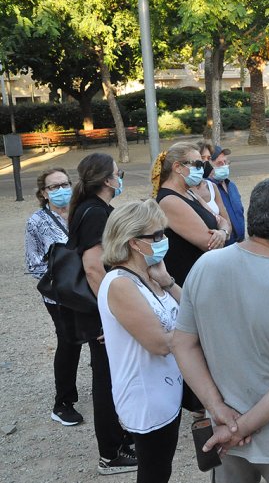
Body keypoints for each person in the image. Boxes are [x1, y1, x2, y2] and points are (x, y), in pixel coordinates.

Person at [172, 177, 269, 483]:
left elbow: (183, 344)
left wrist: (218, 410)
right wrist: (239, 430)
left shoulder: (205, 266)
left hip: (226, 441)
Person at [98, 200, 183, 483]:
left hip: (166, 389)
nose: (163, 240)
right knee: (154, 472)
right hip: (147, 397)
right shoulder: (120, 284)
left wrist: (168, 281)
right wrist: (197, 333)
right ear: (134, 242)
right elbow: (160, 343)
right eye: (156, 236)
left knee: (162, 468)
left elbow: (192, 312)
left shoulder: (149, 274)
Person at [67, 153, 137, 474]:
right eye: (117, 173)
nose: (120, 177)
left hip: (100, 309)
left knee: (113, 376)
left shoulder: (95, 209)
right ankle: (109, 454)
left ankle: (120, 437)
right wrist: (109, 316)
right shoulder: (93, 213)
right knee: (106, 379)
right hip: (99, 312)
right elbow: (94, 269)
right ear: (108, 181)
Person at [25, 168, 85, 426]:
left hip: (89, 288)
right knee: (69, 342)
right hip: (61, 295)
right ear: (43, 193)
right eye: (54, 187)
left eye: (65, 184)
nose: (61, 190)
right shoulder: (36, 222)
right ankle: (63, 403)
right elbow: (33, 263)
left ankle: (105, 387)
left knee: (98, 337)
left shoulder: (80, 213)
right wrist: (61, 272)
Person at [151, 143, 227, 287]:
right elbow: (209, 244)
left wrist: (222, 232)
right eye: (197, 164)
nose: (202, 169)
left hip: (205, 277)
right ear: (178, 167)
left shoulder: (190, 193)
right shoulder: (169, 201)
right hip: (190, 282)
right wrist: (222, 233)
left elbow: (223, 221)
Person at [205, 144, 246, 246]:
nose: (224, 166)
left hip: (240, 244)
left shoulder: (231, 186)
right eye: (219, 163)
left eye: (226, 162)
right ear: (209, 166)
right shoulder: (207, 190)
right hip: (223, 246)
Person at [195, 141, 231, 221]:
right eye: (202, 158)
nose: (206, 162)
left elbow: (227, 221)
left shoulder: (230, 186)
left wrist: (224, 231)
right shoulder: (185, 191)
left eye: (208, 158)